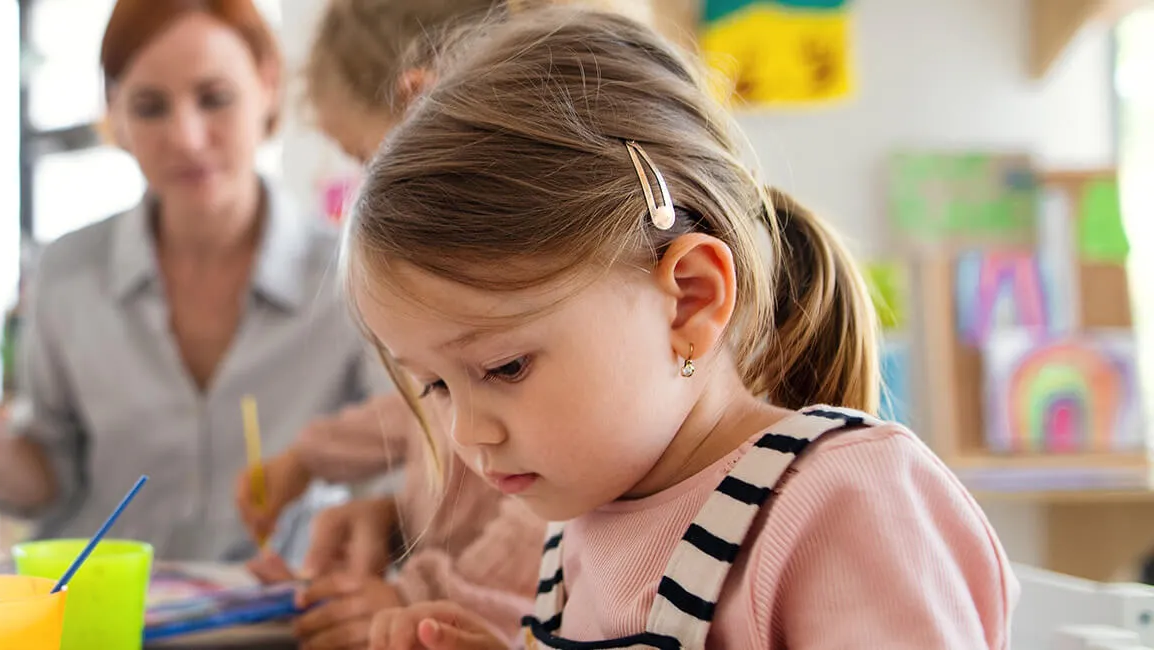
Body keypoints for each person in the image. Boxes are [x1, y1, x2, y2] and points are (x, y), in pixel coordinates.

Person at [347, 8, 1015, 650]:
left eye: (505, 367)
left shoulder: (845, 503)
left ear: (690, 303)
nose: (467, 434)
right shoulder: (582, 526)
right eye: (433, 384)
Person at [0, 0, 391, 562]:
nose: (186, 138)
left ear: (268, 87)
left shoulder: (355, 273)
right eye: (149, 107)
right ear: (114, 113)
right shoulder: (67, 272)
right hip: (102, 618)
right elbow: (53, 480)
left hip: (281, 615)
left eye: (214, 98)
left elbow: (397, 464)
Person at [226, 2, 553, 650]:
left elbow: (548, 522)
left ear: (419, 108)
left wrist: (417, 595)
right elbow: (412, 415)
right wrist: (317, 463)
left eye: (360, 154)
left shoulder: (514, 280)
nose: (359, 182)